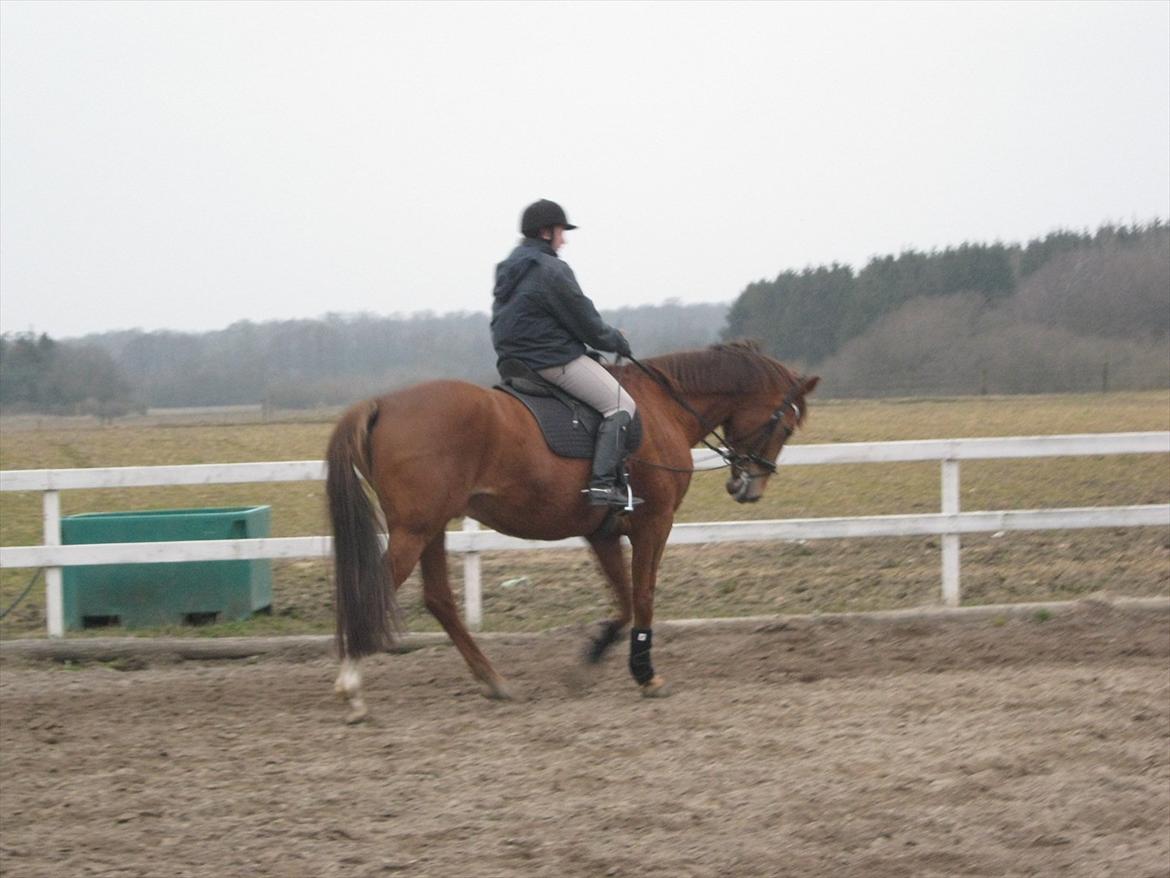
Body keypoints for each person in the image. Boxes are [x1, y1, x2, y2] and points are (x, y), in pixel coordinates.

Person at [491, 199, 641, 509]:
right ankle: (602, 485)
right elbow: (587, 323)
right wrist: (617, 341)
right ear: (546, 233)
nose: (565, 239)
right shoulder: (552, 270)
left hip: (513, 363)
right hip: (550, 360)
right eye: (561, 231)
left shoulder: (511, 269)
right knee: (620, 404)